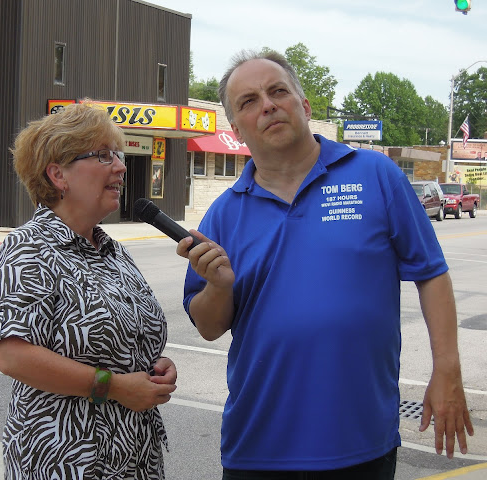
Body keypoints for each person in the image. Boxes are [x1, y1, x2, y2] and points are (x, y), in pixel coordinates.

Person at [176, 50, 473, 479]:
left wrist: (447, 370)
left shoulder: (375, 175)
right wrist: (219, 286)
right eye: (249, 101)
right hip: (257, 445)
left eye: (278, 91)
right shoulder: (223, 214)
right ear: (236, 130)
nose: (268, 105)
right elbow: (208, 327)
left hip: (360, 442)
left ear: (305, 105)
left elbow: (431, 275)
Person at [0, 102, 177, 480]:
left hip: (135, 457)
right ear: (58, 174)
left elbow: (124, 337)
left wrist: (154, 366)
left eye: (118, 155)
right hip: (68, 458)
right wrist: (115, 387)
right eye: (103, 155)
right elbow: (13, 355)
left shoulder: (112, 251)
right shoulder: (28, 248)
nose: (120, 167)